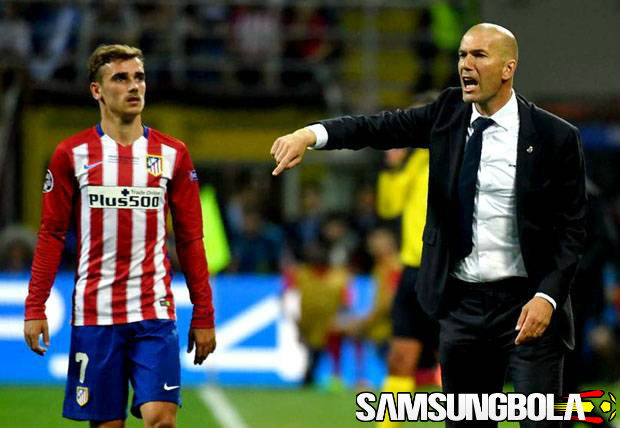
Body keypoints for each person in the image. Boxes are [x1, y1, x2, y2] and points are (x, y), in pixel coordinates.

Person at [270, 23, 587, 428]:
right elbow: (376, 127)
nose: (466, 64)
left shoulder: (555, 136)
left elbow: (573, 229)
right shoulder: (447, 113)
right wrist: (310, 134)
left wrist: (547, 297)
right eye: (462, 55)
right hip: (462, 305)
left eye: (479, 55)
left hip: (528, 304)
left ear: (508, 68)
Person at [23, 44, 216, 428]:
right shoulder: (71, 154)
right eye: (121, 78)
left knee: (161, 420)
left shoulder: (173, 153)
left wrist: (204, 312)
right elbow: (51, 234)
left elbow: (191, 239)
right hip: (95, 313)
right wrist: (35, 307)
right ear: (97, 90)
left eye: (139, 77)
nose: (133, 86)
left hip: (154, 311)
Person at [375, 141, 440, 428]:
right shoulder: (416, 160)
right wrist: (393, 166)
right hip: (413, 270)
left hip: (454, 273)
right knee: (400, 358)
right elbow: (388, 208)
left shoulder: (467, 149)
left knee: (462, 361)